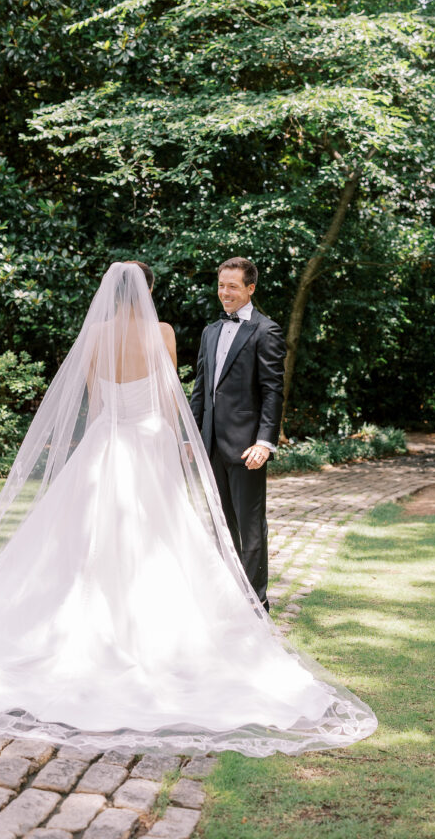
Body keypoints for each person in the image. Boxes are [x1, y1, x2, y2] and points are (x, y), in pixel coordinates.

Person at [0, 262, 376, 756]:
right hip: (147, 439)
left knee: (84, 536)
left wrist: (108, 433)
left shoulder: (96, 335)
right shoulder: (162, 333)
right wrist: (173, 439)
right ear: (146, 292)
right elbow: (169, 398)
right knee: (162, 534)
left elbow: (97, 401)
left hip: (106, 441)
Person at [190, 258, 285, 613]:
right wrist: (191, 437)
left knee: (250, 525)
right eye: (221, 285)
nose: (225, 292)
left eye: (232, 286)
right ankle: (229, 594)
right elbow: (201, 389)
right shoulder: (210, 331)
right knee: (221, 524)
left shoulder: (266, 331)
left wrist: (264, 442)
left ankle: (256, 602)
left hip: (247, 447)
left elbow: (273, 391)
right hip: (211, 444)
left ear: (250, 288)